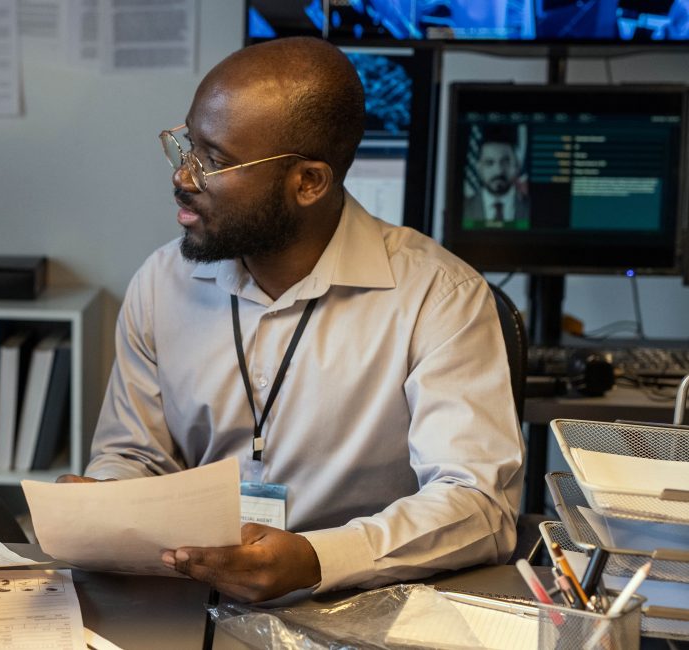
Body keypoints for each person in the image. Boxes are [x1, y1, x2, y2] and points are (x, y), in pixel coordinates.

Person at [59, 37, 523, 602]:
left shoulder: (439, 296)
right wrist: (104, 501)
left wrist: (314, 559)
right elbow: (135, 454)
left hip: (362, 601)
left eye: (216, 160)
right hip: (188, 594)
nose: (184, 176)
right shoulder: (162, 282)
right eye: (185, 145)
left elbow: (478, 504)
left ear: (308, 182)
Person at [462, 127, 530, 229]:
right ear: (479, 168)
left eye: (505, 162)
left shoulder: (530, 207)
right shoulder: (464, 208)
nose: (498, 171)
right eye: (489, 163)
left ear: (517, 165)